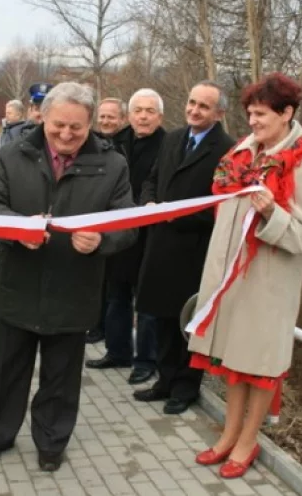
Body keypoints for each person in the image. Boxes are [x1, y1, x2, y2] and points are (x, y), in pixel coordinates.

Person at [0, 82, 136, 472]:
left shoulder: (113, 164)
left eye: (76, 129)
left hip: (74, 291)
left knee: (61, 378)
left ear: (91, 124)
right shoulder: (15, 153)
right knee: (8, 372)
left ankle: (51, 442)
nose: (66, 135)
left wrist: (101, 240)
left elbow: (127, 224)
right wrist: (15, 228)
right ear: (43, 117)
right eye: (58, 125)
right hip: (19, 286)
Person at [189, 73, 302, 478]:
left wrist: (271, 212)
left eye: (261, 114)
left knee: (260, 366)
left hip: (269, 282)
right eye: (249, 113)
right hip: (233, 277)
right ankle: (229, 434)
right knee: (235, 359)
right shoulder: (243, 153)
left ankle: (248, 442)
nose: (252, 121)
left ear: (287, 113)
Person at [134, 80, 235, 415]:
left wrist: (175, 216)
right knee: (161, 318)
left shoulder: (228, 150)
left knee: (187, 322)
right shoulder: (174, 139)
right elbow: (152, 178)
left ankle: (185, 387)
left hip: (194, 249)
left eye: (203, 106)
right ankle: (164, 381)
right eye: (192, 102)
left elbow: (224, 205)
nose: (194, 110)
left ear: (219, 112)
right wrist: (149, 203)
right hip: (160, 245)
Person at [86, 89, 165, 384]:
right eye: (138, 111)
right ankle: (117, 350)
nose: (143, 116)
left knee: (145, 301)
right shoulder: (114, 143)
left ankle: (145, 360)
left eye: (150, 111)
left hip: (149, 232)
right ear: (128, 116)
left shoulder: (167, 145)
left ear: (160, 116)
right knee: (116, 294)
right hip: (117, 228)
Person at [85, 97, 129, 344]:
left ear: (122, 119)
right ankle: (93, 325)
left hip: (117, 222)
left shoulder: (125, 145)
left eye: (111, 117)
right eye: (102, 116)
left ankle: (105, 330)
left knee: (114, 287)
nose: (105, 121)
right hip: (92, 218)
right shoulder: (89, 141)